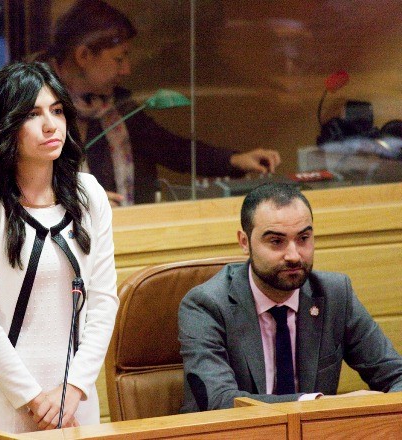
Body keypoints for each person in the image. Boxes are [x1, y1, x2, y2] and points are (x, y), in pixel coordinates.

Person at [0, 61, 118, 436]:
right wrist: (36, 401)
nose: (51, 125)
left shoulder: (90, 195)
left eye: (57, 111)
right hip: (3, 403)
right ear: (6, 126)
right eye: (33, 114)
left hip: (75, 402)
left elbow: (104, 302)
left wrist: (73, 389)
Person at [178, 182, 402, 412]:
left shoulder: (335, 295)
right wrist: (322, 405)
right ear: (245, 242)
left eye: (303, 238)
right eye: (276, 241)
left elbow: (396, 375)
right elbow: (219, 401)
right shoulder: (206, 305)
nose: (294, 255)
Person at [37, 0, 282, 206]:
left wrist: (233, 160)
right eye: (119, 59)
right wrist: (81, 204)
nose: (126, 69)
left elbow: (169, 148)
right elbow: (18, 185)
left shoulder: (118, 105)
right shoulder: (30, 104)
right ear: (83, 56)